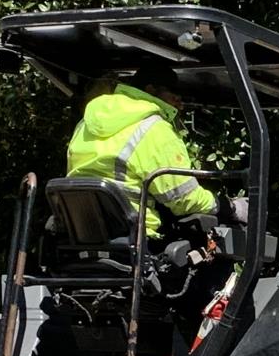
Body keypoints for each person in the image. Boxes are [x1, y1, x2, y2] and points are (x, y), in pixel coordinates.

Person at [67, 70, 228, 234]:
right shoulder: (155, 128)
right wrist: (226, 206)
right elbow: (183, 200)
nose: (179, 102)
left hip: (82, 232)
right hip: (134, 236)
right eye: (174, 92)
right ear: (151, 89)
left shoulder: (86, 122)